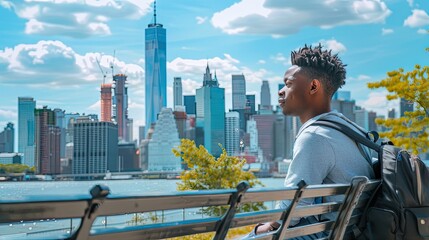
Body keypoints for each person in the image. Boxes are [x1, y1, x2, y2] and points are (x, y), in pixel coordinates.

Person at [244, 44, 375, 239]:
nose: (281, 92)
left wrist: (262, 228)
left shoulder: (315, 136)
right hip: (351, 230)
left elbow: (292, 210)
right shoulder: (352, 130)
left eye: (288, 84)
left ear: (313, 86)